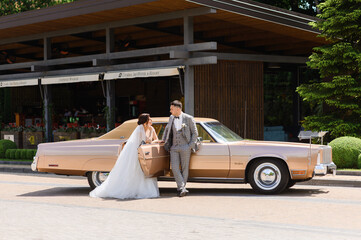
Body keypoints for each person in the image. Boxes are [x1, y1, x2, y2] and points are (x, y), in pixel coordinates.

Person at [89, 113, 159, 199]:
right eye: (149, 119)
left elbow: (156, 139)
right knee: (137, 171)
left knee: (146, 172)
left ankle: (144, 190)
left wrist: (152, 142)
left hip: (147, 153)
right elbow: (139, 143)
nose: (151, 120)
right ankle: (134, 189)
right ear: (145, 122)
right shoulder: (139, 129)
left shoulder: (151, 128)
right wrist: (148, 142)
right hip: (138, 153)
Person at [162, 100, 198, 197]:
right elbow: (167, 130)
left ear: (178, 109)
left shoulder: (189, 118)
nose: (170, 111)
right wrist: (163, 140)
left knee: (185, 168)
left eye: (171, 109)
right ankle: (182, 187)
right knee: (174, 167)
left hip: (185, 146)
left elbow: (195, 133)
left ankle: (181, 189)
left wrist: (190, 146)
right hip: (174, 147)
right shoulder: (171, 117)